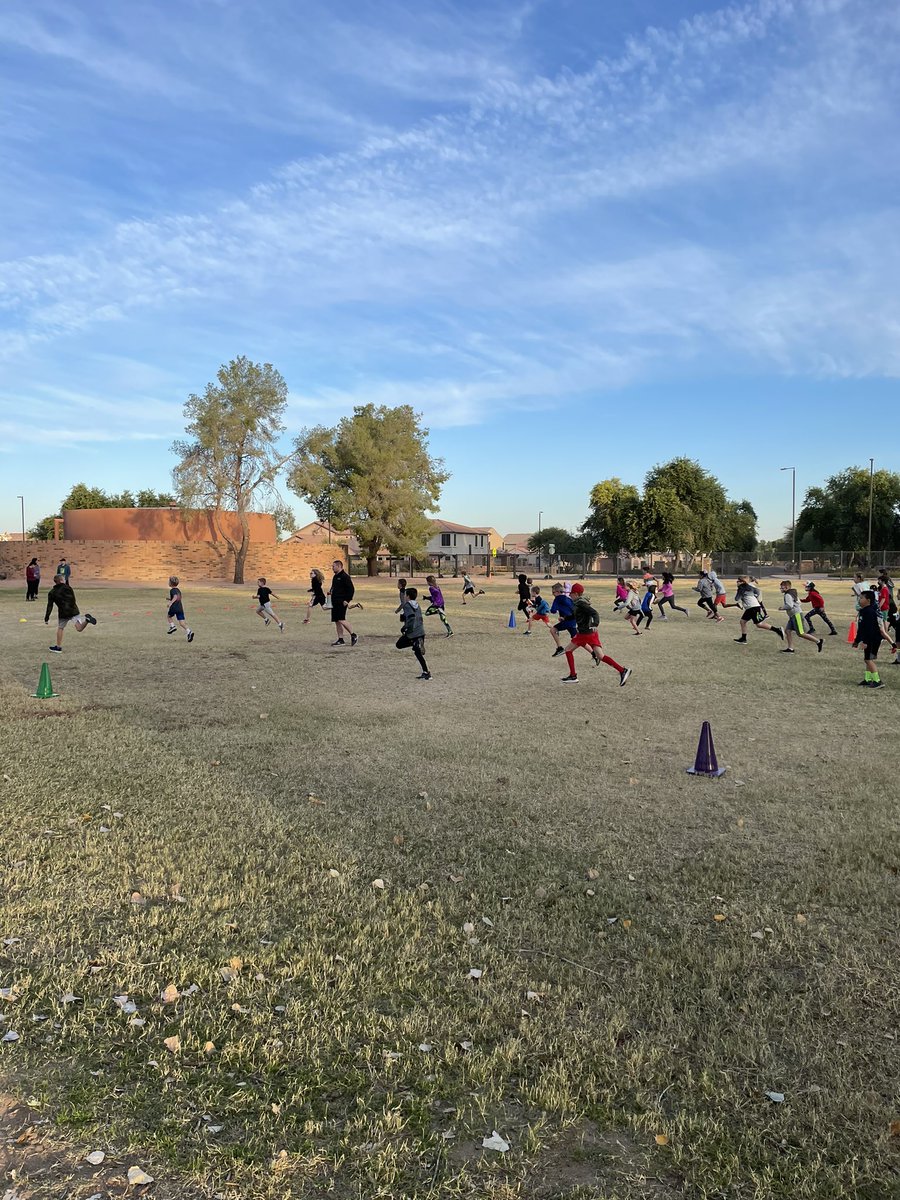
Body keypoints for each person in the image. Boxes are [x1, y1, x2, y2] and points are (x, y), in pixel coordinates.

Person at [560, 583, 630, 686]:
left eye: (571, 594)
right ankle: (622, 670)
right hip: (591, 633)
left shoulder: (581, 603)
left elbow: (594, 613)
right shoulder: (579, 602)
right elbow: (576, 615)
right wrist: (565, 618)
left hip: (585, 633)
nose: (570, 596)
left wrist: (594, 623)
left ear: (576, 593)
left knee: (568, 650)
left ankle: (573, 676)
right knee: (600, 656)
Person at [853, 589, 896, 689]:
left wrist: (865, 642)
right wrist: (856, 640)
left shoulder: (869, 612)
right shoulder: (864, 611)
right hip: (871, 639)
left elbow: (869, 629)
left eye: (861, 598)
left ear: (868, 600)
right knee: (868, 659)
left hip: (872, 639)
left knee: (868, 660)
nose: (859, 600)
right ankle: (868, 679)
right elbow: (861, 628)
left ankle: (877, 681)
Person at [44, 574, 96, 651]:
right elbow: (73, 599)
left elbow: (50, 606)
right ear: (61, 580)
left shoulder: (52, 592)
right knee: (79, 628)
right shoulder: (68, 588)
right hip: (73, 610)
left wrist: (47, 617)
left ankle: (58, 647)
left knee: (60, 628)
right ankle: (87, 620)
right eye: (64, 579)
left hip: (63, 613)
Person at [732, 577, 783, 644]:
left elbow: (736, 598)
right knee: (742, 621)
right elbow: (758, 591)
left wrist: (744, 596)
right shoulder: (749, 587)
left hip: (753, 608)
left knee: (759, 624)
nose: (737, 582)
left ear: (742, 582)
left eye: (738, 581)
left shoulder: (741, 589)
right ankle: (743, 639)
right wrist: (753, 596)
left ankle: (778, 630)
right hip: (751, 607)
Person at [396, 585, 431, 680]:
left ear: (407, 596)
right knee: (418, 653)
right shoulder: (417, 604)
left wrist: (405, 627)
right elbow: (415, 616)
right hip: (421, 631)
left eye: (405, 595)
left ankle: (415, 642)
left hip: (413, 632)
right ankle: (426, 672)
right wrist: (404, 617)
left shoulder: (407, 605)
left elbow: (411, 617)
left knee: (399, 644)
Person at [778, 581, 823, 653]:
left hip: (796, 615)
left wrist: (782, 608)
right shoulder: (792, 593)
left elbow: (789, 605)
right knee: (788, 631)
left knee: (801, 633)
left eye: (782, 587)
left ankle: (818, 641)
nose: (780, 588)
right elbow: (798, 602)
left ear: (787, 587)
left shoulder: (787, 595)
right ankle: (790, 648)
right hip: (793, 615)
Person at [328, 559, 358, 646]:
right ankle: (340, 639)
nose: (332, 568)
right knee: (337, 621)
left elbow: (351, 590)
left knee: (341, 619)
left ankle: (353, 634)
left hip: (342, 602)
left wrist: (347, 600)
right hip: (334, 602)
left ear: (339, 566)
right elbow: (333, 588)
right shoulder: (335, 577)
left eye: (333, 566)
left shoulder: (345, 577)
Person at [549, 582, 576, 657]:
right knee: (577, 639)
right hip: (573, 620)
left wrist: (553, 610)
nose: (552, 594)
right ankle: (593, 653)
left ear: (557, 592)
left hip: (567, 621)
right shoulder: (568, 598)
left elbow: (553, 610)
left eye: (553, 592)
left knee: (553, 630)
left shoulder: (557, 599)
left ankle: (559, 648)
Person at [166, 576, 194, 641]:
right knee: (182, 623)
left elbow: (175, 597)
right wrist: (170, 599)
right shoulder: (178, 590)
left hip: (174, 607)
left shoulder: (172, 590)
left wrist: (170, 603)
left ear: (170, 583)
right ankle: (189, 632)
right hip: (180, 608)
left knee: (169, 616)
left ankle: (172, 626)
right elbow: (177, 597)